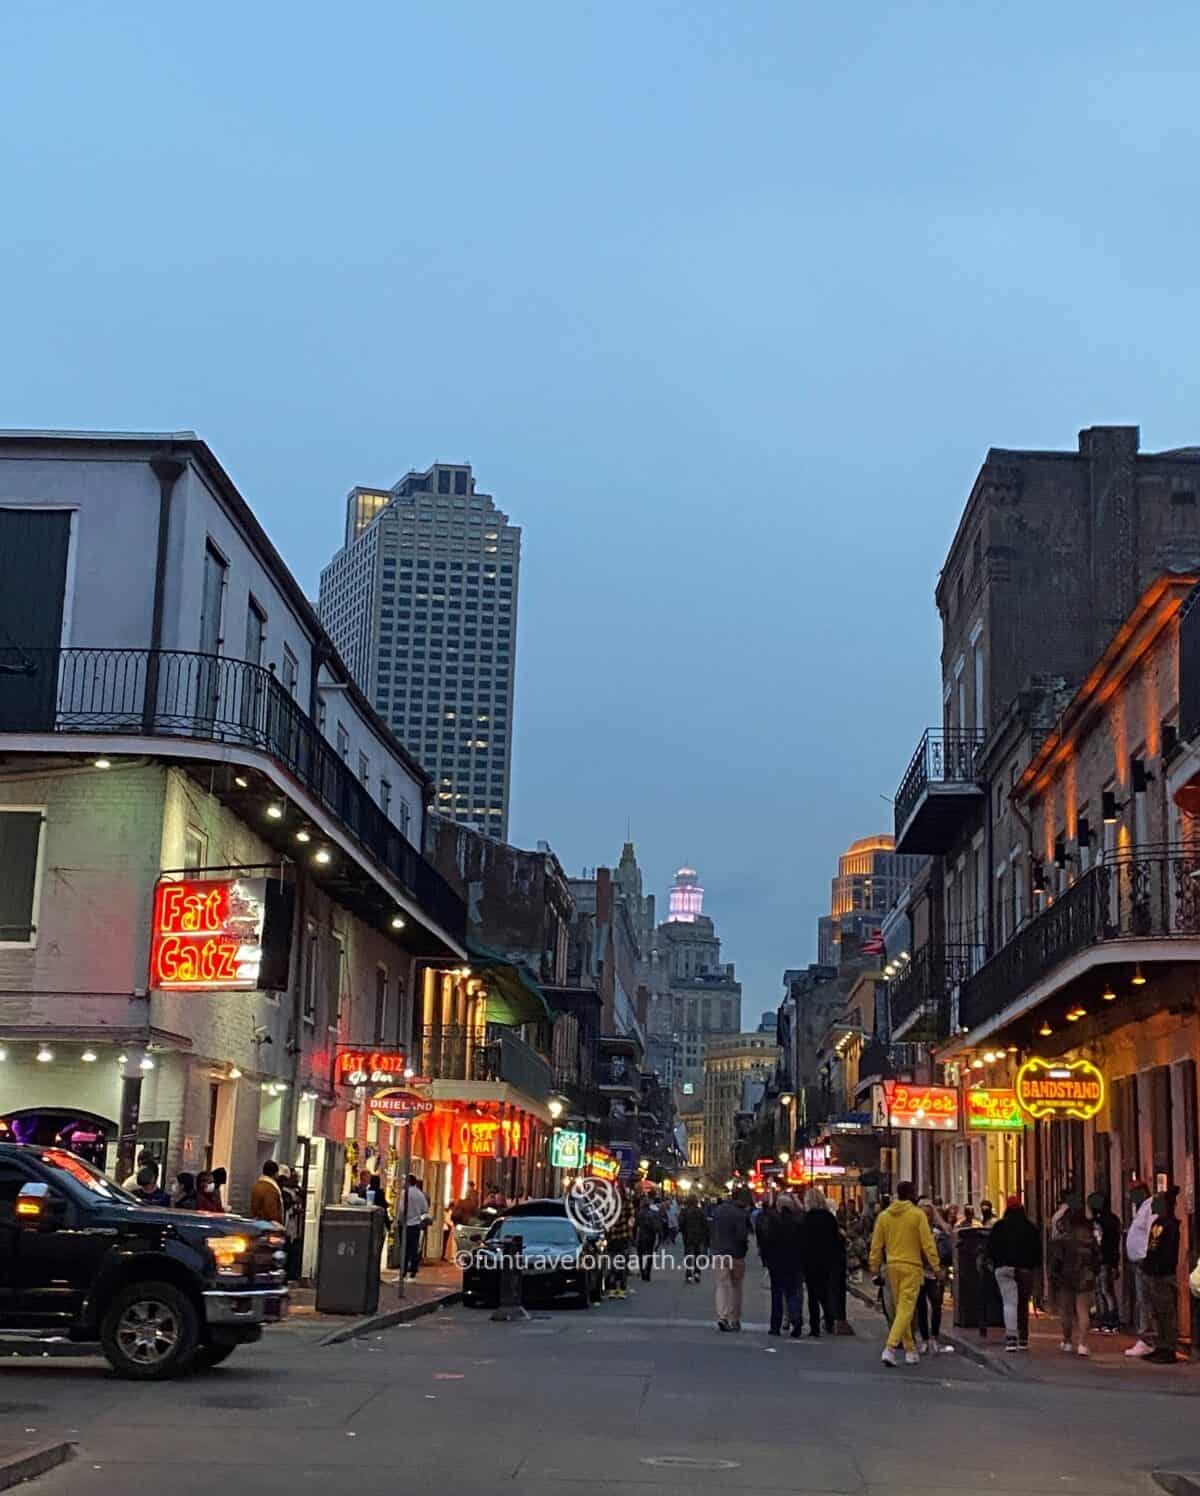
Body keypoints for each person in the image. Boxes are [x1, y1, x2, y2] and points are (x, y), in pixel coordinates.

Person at [869, 1180, 940, 1367]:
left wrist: (874, 1266)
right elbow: (927, 1244)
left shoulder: (884, 1216)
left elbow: (876, 1244)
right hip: (912, 1266)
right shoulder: (917, 1215)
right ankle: (890, 1348)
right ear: (911, 1194)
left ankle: (910, 1350)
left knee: (902, 1309)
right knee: (906, 1309)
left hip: (892, 1266)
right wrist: (936, 1266)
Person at [987, 1195, 1041, 1352]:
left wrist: (995, 1263)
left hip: (1004, 1268)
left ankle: (1011, 1339)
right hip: (1025, 1269)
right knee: (1023, 1303)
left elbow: (991, 1248)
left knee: (1009, 1303)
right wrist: (1034, 1268)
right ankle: (1023, 1338)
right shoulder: (1030, 1227)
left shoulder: (999, 1227)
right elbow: (1037, 1250)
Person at [1047, 1199, 1099, 1356]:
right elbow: (1097, 1258)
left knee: (1066, 1310)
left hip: (1067, 1276)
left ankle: (1067, 1340)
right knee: (1083, 1311)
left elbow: (1057, 1260)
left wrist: (1054, 1276)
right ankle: (1083, 1343)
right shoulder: (1090, 1238)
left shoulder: (1064, 1239)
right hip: (1085, 1276)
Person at [1140, 1188, 1182, 1365]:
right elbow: (1153, 1247)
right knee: (1158, 1312)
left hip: (1163, 1274)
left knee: (1166, 1313)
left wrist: (1160, 1268)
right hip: (1153, 1272)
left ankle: (1169, 1348)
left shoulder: (1171, 1225)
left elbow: (1168, 1252)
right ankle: (1161, 1346)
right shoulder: (1158, 1222)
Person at [762, 1192, 805, 1338]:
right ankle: (796, 1320)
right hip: (794, 1262)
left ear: (779, 1206)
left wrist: (766, 1260)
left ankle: (775, 1326)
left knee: (777, 1295)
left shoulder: (773, 1221)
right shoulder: (798, 1221)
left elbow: (766, 1240)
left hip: (776, 1262)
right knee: (792, 1293)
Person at [800, 1187, 841, 1338]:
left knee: (812, 1294)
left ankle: (815, 1326)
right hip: (827, 1259)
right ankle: (829, 1318)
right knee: (825, 1291)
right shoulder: (829, 1218)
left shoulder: (807, 1218)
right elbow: (835, 1239)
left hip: (811, 1260)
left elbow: (802, 1241)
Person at [916, 1200, 955, 1354]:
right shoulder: (915, 1230)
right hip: (919, 1271)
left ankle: (934, 1337)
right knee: (921, 1307)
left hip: (935, 1271)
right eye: (923, 1213)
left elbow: (948, 1245)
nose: (925, 1217)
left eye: (928, 1214)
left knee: (936, 1304)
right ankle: (925, 1339)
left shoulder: (938, 1231)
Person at [712, 1189, 751, 1331]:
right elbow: (742, 1235)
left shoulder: (718, 1210)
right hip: (736, 1254)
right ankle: (735, 1319)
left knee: (722, 1285)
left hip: (719, 1252)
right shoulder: (741, 1213)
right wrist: (744, 1248)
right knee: (736, 1287)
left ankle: (723, 1316)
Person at [1124, 1181, 1155, 1358]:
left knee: (1145, 1301)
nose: (1131, 1198)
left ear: (1142, 1192)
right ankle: (1146, 1338)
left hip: (1145, 1262)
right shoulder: (1142, 1207)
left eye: (1133, 1194)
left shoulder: (1150, 1206)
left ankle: (1147, 1340)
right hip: (1139, 1262)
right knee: (1142, 1300)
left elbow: (1151, 1233)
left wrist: (1146, 1256)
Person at [1088, 1190, 1121, 1335]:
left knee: (1103, 1291)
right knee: (1106, 1290)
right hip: (1110, 1259)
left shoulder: (1097, 1222)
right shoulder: (1114, 1219)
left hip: (1101, 1259)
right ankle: (1109, 1320)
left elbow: (1097, 1241)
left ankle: (1107, 1320)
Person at [605, 1187, 635, 1299]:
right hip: (619, 1238)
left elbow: (631, 1219)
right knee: (618, 1265)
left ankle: (618, 1290)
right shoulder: (616, 1205)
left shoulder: (623, 1204)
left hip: (619, 1238)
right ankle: (617, 1290)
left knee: (616, 1265)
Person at [403, 1173, 430, 1279]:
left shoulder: (404, 1193)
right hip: (415, 1224)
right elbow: (425, 1209)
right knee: (414, 1248)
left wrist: (400, 1220)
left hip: (405, 1224)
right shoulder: (420, 1194)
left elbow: (401, 1209)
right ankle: (413, 1271)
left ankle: (404, 1270)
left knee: (404, 1249)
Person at [679, 1193, 708, 1283]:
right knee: (697, 1256)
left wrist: (684, 1232)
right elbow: (705, 1224)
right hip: (699, 1237)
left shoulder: (684, 1211)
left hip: (688, 1237)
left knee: (688, 1256)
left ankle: (688, 1275)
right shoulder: (700, 1211)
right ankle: (697, 1273)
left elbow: (681, 1223)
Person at [251, 1158, 285, 1225]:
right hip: (268, 1227)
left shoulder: (258, 1185)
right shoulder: (270, 1189)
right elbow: (271, 1212)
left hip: (257, 1223)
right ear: (275, 1173)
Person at [635, 1195, 660, 1282]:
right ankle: (648, 1273)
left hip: (641, 1236)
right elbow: (657, 1227)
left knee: (640, 1255)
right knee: (649, 1255)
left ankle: (642, 1272)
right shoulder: (653, 1213)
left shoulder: (639, 1213)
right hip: (650, 1237)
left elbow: (635, 1226)